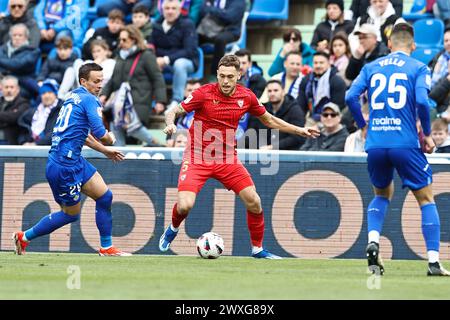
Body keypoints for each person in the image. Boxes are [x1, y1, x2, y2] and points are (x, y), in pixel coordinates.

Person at [159, 55, 320, 259]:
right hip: (197, 157)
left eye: (230, 77)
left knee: (254, 201)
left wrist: (299, 130)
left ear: (239, 75)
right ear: (217, 74)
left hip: (227, 159)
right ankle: (173, 228)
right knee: (185, 205)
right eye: (222, 76)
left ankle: (258, 249)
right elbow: (174, 111)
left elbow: (269, 120)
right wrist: (171, 123)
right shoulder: (203, 93)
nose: (225, 81)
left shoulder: (247, 97)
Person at [345, 22, 450, 276]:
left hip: (377, 143)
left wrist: (363, 127)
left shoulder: (371, 67)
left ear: (389, 44)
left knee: (381, 195)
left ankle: (373, 241)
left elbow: (350, 97)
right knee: (425, 198)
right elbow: (424, 102)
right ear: (413, 46)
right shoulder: (418, 67)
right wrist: (425, 134)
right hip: (405, 143)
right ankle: (434, 262)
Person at [12, 62, 131, 257]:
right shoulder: (90, 100)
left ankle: (106, 248)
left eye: (102, 81)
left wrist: (104, 151)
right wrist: (109, 139)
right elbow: (101, 133)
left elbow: (81, 134)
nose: (100, 85)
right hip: (63, 167)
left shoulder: (72, 97)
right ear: (84, 81)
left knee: (105, 197)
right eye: (96, 81)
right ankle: (23, 237)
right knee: (71, 214)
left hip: (74, 161)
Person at [100, 25, 167, 145]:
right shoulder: (120, 56)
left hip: (137, 102)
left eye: (124, 40)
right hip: (119, 104)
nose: (121, 42)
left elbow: (157, 78)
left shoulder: (146, 55)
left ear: (134, 39)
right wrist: (104, 94)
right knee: (116, 128)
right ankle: (119, 158)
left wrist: (160, 101)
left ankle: (159, 145)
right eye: (120, 39)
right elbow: (113, 79)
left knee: (134, 129)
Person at [150, 0, 198, 109]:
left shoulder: (187, 24)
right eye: (167, 8)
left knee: (179, 63)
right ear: (162, 10)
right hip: (162, 62)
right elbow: (151, 45)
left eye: (173, 8)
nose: (170, 11)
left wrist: (166, 59)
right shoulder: (156, 24)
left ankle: (176, 101)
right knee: (147, 61)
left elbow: (189, 51)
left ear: (179, 10)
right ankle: (155, 101)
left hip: (188, 62)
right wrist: (155, 59)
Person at [254, 79, 306, 151]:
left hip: (288, 154)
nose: (272, 93)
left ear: (283, 92)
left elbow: (298, 137)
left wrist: (272, 147)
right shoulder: (263, 109)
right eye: (269, 91)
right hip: (265, 153)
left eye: (276, 90)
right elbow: (256, 132)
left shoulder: (295, 110)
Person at [297, 51, 347, 126]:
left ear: (328, 64)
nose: (318, 66)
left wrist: (324, 119)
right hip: (311, 119)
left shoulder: (337, 81)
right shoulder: (306, 81)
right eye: (315, 63)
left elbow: (338, 107)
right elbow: (301, 105)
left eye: (321, 63)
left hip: (332, 119)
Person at [18, 79, 63, 145]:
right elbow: (22, 130)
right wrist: (23, 142)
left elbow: (58, 133)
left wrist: (36, 144)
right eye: (44, 93)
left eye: (50, 92)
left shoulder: (63, 110)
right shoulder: (33, 111)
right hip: (30, 147)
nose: (47, 96)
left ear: (55, 94)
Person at [0, 75, 30, 144]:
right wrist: (9, 115)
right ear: (2, 89)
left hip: (10, 140)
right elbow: (10, 117)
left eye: (12, 87)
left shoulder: (24, 103)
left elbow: (15, 117)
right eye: (6, 87)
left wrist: (10, 117)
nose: (9, 90)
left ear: (18, 89)